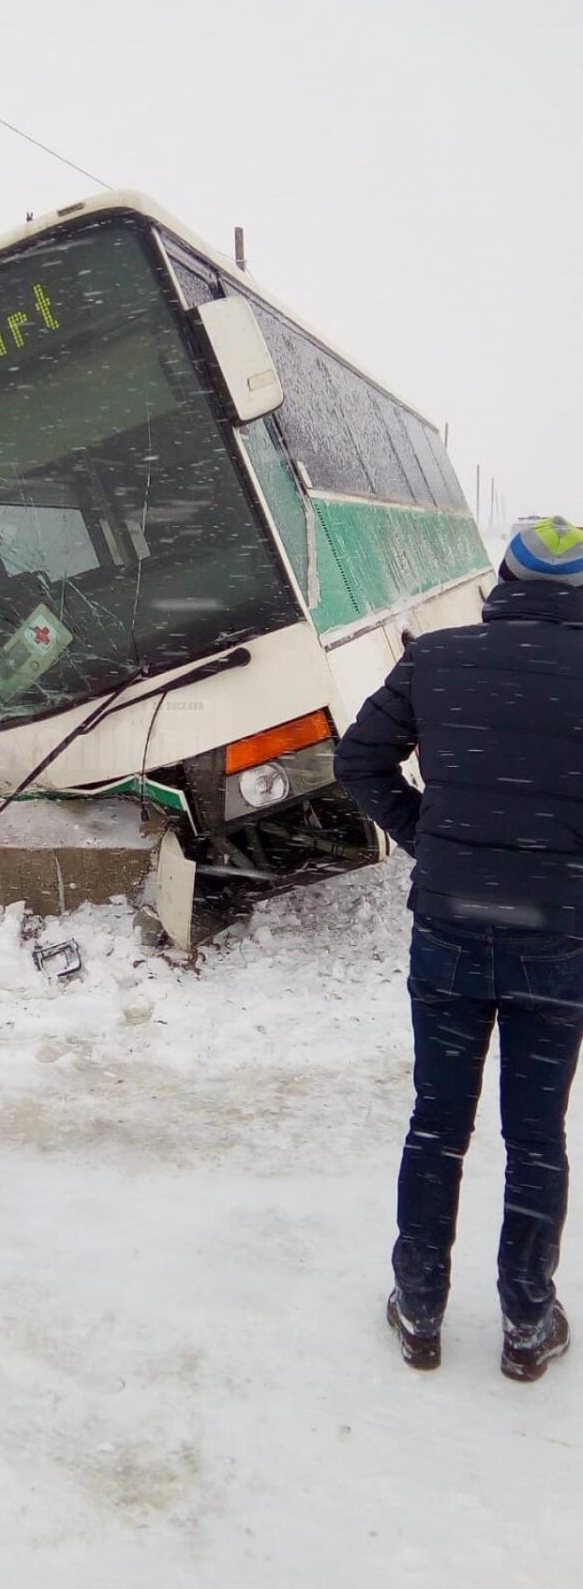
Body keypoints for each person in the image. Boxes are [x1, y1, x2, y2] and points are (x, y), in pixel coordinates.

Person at [334, 517, 583, 1381]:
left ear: (503, 583)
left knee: (437, 1124)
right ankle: (527, 1320)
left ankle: (420, 1307)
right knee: (536, 1136)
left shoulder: (436, 659)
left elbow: (359, 762)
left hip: (449, 932)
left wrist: (429, 842)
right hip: (558, 941)